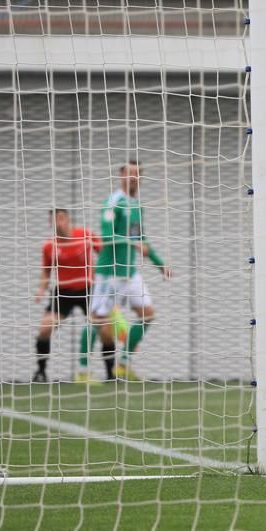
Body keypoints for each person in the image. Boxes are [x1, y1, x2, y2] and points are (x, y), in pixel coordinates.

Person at [91, 160, 170, 382]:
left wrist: (160, 264)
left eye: (137, 173)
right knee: (98, 320)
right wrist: (132, 243)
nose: (133, 177)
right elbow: (106, 237)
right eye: (129, 173)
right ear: (121, 175)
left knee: (148, 314)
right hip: (109, 271)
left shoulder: (137, 206)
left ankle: (123, 363)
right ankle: (83, 368)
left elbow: (141, 240)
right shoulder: (113, 202)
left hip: (129, 272)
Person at [33, 208, 98, 383]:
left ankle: (112, 374)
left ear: (68, 219)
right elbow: (46, 272)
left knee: (105, 328)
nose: (58, 222)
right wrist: (41, 288)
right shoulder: (49, 246)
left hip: (88, 288)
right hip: (63, 292)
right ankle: (41, 372)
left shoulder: (86, 235)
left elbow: (106, 253)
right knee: (44, 329)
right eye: (54, 219)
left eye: (61, 218)